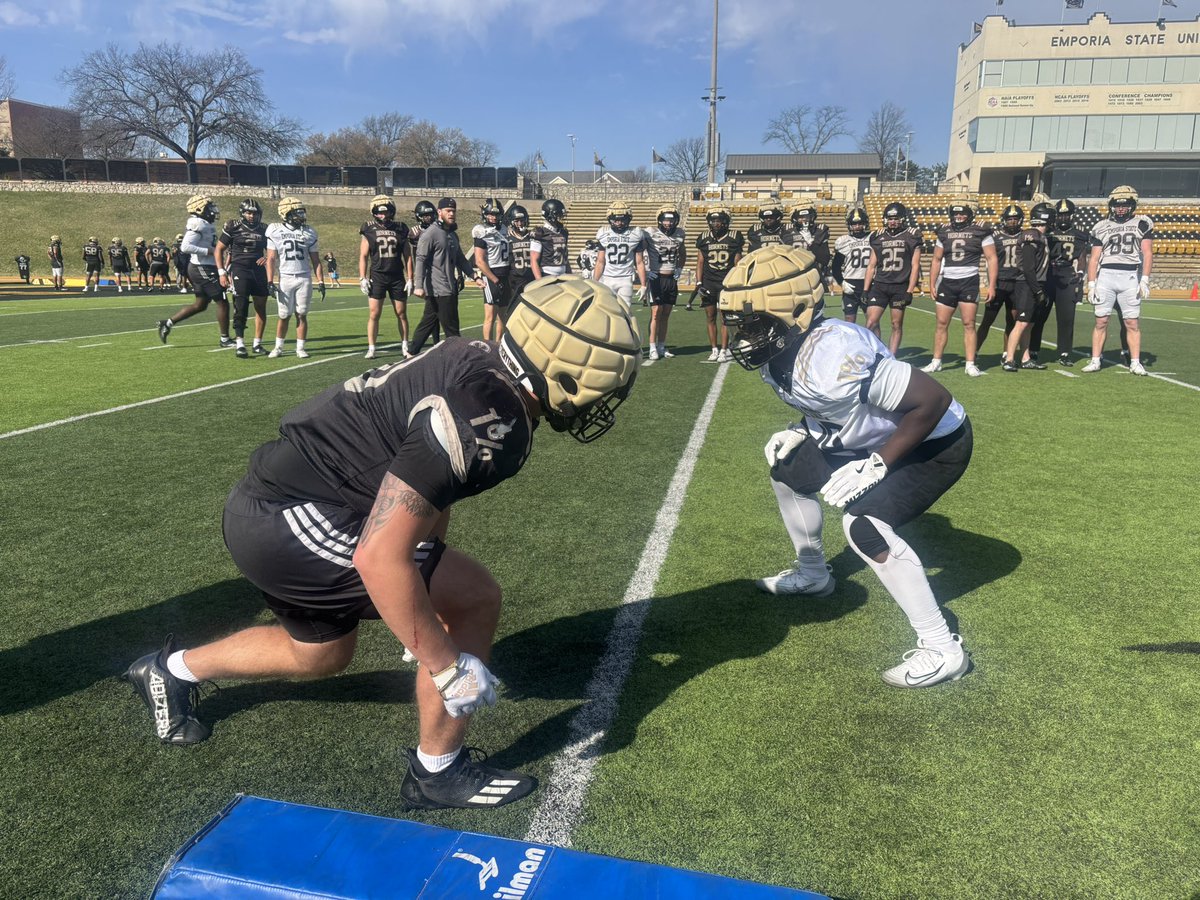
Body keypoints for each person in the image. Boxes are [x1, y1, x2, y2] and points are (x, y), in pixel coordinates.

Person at [123, 276, 642, 810]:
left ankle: (169, 671)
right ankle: (437, 773)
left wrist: (424, 596)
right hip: (294, 519)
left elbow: (431, 489)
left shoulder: (479, 358)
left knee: (321, 655)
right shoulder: (493, 422)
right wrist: (446, 664)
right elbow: (379, 557)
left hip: (280, 506)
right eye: (604, 387)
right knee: (474, 597)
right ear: (566, 372)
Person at [718, 244, 973, 688]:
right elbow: (839, 408)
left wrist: (877, 464)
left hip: (932, 439)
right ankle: (813, 574)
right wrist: (802, 429)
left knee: (864, 526)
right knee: (788, 470)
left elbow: (932, 401)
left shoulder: (835, 352)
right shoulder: (782, 352)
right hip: (873, 436)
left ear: (796, 311)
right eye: (740, 326)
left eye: (755, 324)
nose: (745, 338)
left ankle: (942, 649)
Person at [1083, 185, 1154, 376]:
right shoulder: (1101, 226)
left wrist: (1144, 279)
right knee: (1101, 321)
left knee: (1132, 323)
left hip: (1129, 276)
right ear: (1111, 206)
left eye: (1125, 205)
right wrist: (1091, 284)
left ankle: (1135, 362)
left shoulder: (1142, 223)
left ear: (1133, 205)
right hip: (1106, 276)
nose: (1121, 208)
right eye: (1117, 205)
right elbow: (1094, 259)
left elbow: (1147, 253)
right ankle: (1095, 360)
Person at [922, 203, 997, 377]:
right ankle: (936, 361)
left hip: (969, 280)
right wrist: (932, 283)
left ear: (969, 215)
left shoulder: (980, 230)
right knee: (941, 323)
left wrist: (992, 285)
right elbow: (936, 259)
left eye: (962, 214)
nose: (959, 217)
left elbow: (991, 258)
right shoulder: (944, 231)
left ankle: (970, 364)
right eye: (956, 214)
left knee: (969, 323)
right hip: (948, 281)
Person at [156, 195, 234, 347]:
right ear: (199, 209)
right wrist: (209, 251)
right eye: (208, 207)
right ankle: (225, 339)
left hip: (203, 267)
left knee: (200, 305)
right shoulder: (197, 223)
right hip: (202, 267)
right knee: (222, 301)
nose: (212, 210)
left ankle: (168, 323)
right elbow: (185, 247)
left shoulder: (204, 223)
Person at [410, 198, 479, 357]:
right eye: (448, 211)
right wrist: (418, 285)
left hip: (450, 286)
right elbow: (420, 259)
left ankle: (410, 353)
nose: (451, 214)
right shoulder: (430, 233)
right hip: (440, 288)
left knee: (427, 324)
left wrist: (474, 276)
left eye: (453, 211)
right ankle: (458, 358)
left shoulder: (452, 234)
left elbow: (461, 259)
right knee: (452, 330)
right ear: (439, 212)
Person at [265, 196, 325, 359]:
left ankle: (300, 348)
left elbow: (316, 260)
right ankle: (278, 347)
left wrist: (320, 281)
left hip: (304, 277)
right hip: (285, 277)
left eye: (301, 212)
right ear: (286, 214)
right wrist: (270, 281)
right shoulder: (275, 230)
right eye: (297, 213)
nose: (301, 216)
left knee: (302, 314)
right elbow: (271, 259)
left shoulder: (309, 232)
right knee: (284, 315)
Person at [1031, 199, 1088, 367]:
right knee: (1039, 315)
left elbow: (1082, 256)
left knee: (1066, 318)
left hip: (1067, 274)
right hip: (1047, 273)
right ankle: (1033, 349)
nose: (1063, 218)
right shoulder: (1047, 231)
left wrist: (1080, 273)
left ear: (1072, 215)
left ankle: (1064, 352)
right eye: (1061, 215)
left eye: (1066, 215)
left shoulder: (1080, 233)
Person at [863, 202, 921, 355]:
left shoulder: (912, 235)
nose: (893, 222)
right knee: (871, 322)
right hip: (880, 285)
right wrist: (865, 289)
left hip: (899, 286)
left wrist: (909, 291)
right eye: (890, 218)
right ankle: (874, 353)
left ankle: (891, 357)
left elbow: (915, 265)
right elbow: (871, 265)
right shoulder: (877, 236)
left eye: (896, 218)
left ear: (902, 219)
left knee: (896, 324)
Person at [359, 194, 412, 359]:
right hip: (378, 276)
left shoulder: (401, 228)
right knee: (374, 313)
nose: (383, 215)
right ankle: (372, 348)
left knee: (401, 313)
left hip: (397, 276)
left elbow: (408, 256)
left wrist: (410, 278)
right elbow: (363, 256)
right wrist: (362, 277)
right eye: (380, 212)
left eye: (386, 212)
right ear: (374, 213)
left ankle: (405, 345)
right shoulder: (368, 228)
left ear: (392, 211)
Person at [217, 198, 271, 359]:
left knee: (261, 307)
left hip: (258, 271)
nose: (252, 216)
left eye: (254, 213)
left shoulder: (264, 229)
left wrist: (267, 257)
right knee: (240, 306)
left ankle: (257, 343)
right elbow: (219, 249)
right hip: (240, 269)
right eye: (248, 212)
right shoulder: (233, 226)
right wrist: (221, 272)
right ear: (242, 213)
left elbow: (273, 249)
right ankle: (240, 343)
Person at [1001, 202, 1052, 372]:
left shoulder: (1040, 235)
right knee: (1021, 323)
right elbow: (1028, 268)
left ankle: (1025, 358)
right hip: (1027, 285)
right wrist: (1037, 290)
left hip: (1034, 284)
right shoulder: (1032, 235)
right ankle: (1009, 359)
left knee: (1029, 324)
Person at [694, 205, 744, 362]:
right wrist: (699, 282)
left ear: (726, 221)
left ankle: (723, 350)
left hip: (726, 282)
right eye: (713, 220)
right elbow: (700, 262)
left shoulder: (734, 237)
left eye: (719, 220)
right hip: (709, 282)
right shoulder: (703, 238)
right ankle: (714, 349)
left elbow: (738, 263)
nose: (716, 223)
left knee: (725, 318)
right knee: (710, 316)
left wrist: (737, 283)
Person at [975, 205, 1025, 361]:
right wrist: (991, 284)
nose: (1012, 222)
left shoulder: (1025, 236)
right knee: (987, 320)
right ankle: (974, 352)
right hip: (999, 283)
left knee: (1012, 321)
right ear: (1004, 220)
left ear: (1020, 220)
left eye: (1015, 219)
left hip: (1017, 283)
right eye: (1009, 219)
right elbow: (989, 259)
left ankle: (1006, 353)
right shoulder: (995, 236)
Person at [644, 203, 687, 360]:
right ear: (660, 220)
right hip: (656, 277)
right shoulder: (650, 232)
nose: (668, 223)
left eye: (671, 220)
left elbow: (682, 253)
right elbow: (639, 252)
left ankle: (661, 346)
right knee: (656, 312)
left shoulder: (680, 233)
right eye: (665, 220)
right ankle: (652, 347)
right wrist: (646, 270)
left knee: (666, 314)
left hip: (670, 278)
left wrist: (679, 268)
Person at [593, 200, 648, 310]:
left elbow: (639, 262)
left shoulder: (635, 234)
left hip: (625, 278)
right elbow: (600, 261)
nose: (619, 223)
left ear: (628, 219)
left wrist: (643, 285)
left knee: (625, 310)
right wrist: (594, 282)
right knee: (607, 311)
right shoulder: (603, 233)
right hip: (607, 278)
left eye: (622, 220)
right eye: (616, 220)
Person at [472, 198, 511, 342]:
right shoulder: (481, 232)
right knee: (490, 316)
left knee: (503, 316)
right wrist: (495, 280)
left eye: (496, 214)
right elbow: (479, 261)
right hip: (491, 276)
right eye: (490, 214)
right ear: (485, 214)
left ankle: (499, 344)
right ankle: (487, 346)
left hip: (505, 275)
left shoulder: (505, 229)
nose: (494, 217)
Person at [831, 208, 872, 324]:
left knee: (872, 321)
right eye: (854, 224)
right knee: (849, 321)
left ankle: (873, 338)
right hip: (851, 282)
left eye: (860, 223)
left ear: (865, 223)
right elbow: (835, 267)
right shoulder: (844, 241)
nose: (857, 226)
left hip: (869, 283)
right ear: (849, 225)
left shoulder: (873, 238)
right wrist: (842, 283)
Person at [529, 199, 570, 278]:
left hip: (563, 274)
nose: (561, 218)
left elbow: (565, 258)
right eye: (558, 215)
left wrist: (569, 274)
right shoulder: (540, 232)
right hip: (547, 274)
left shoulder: (563, 232)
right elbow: (534, 260)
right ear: (549, 215)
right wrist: (540, 280)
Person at [786, 204, 830, 276]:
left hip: (815, 271)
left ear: (812, 217)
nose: (804, 219)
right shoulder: (787, 231)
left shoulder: (820, 230)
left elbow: (824, 259)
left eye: (807, 216)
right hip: (794, 272)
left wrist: (811, 242)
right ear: (794, 218)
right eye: (801, 217)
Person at [505, 205, 536, 309]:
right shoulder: (507, 238)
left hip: (530, 277)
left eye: (522, 220)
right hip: (514, 279)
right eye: (517, 221)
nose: (520, 223)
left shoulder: (533, 236)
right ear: (511, 222)